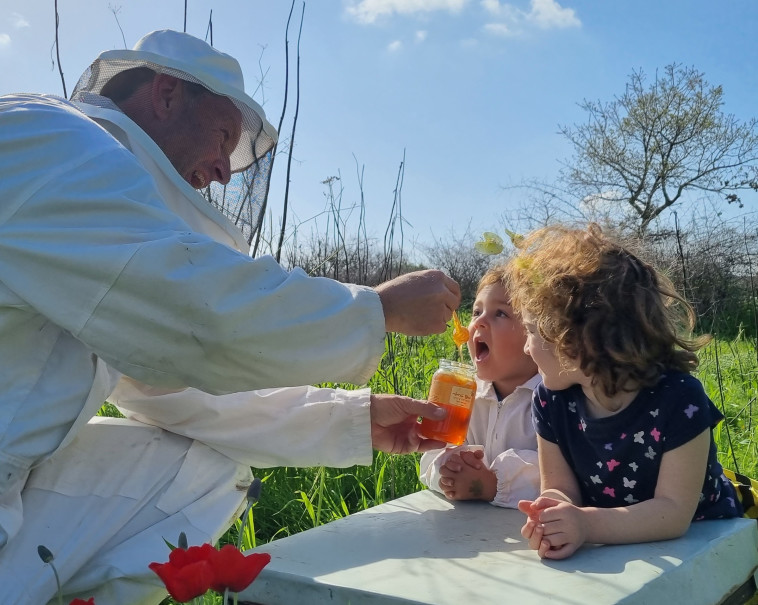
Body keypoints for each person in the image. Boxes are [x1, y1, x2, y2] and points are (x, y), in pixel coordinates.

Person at [0, 29, 460, 603]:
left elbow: (169, 392)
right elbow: (201, 315)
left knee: (199, 470)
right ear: (165, 94)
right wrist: (377, 307)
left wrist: (355, 418)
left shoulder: (96, 216)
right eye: (222, 137)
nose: (223, 171)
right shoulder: (51, 137)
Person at [506, 224, 743, 560]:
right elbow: (560, 487)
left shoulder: (678, 398)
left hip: (707, 550)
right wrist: (554, 514)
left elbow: (673, 513)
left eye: (531, 331)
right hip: (613, 554)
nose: (527, 348)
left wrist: (586, 526)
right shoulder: (550, 400)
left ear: (577, 340)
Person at [419, 265, 541, 507]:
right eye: (476, 312)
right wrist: (447, 475)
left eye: (501, 314)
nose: (479, 323)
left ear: (535, 333)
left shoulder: (552, 398)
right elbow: (431, 454)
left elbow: (562, 474)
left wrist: (492, 484)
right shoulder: (461, 392)